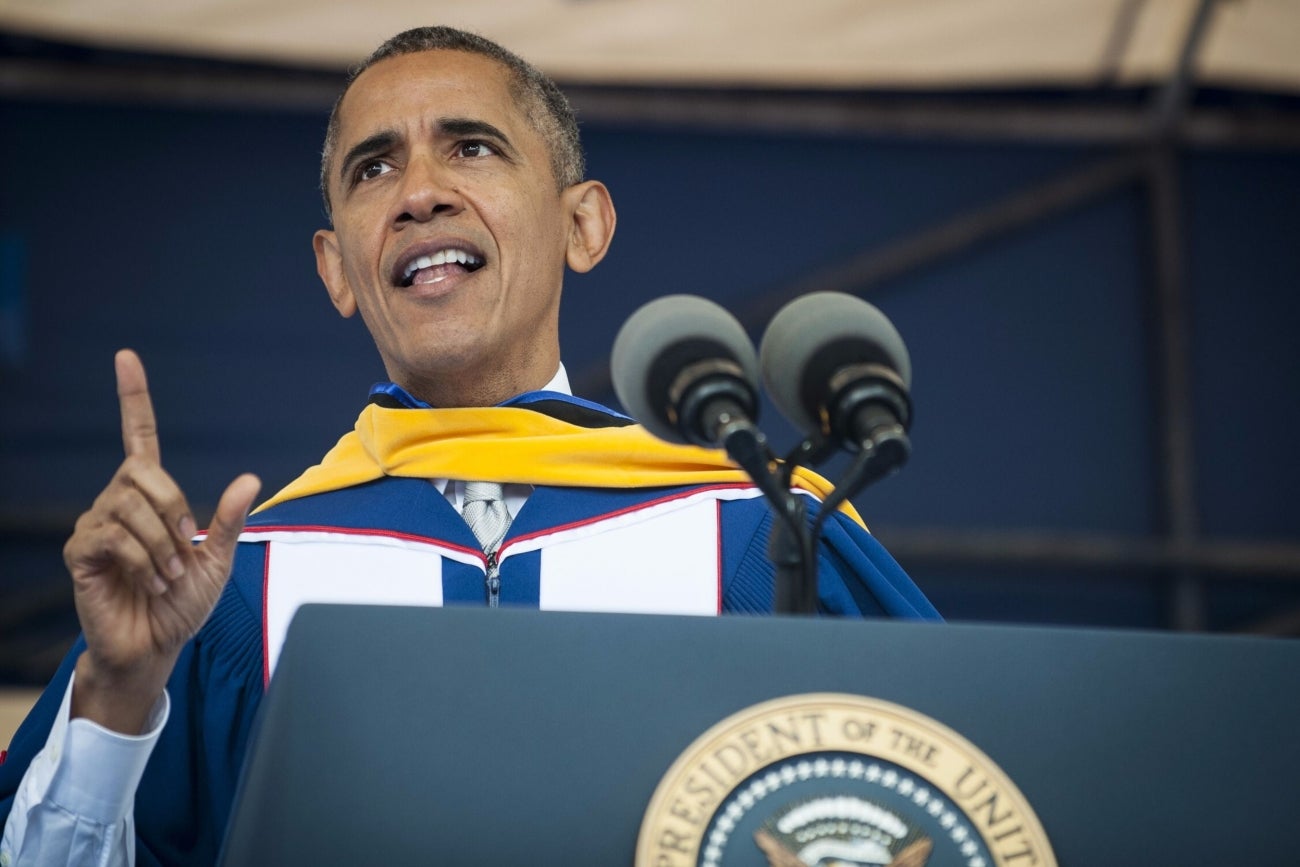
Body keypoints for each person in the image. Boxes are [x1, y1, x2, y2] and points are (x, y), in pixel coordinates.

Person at [0, 26, 939, 866]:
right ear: (336, 269)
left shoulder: (754, 532)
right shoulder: (239, 585)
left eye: (472, 148)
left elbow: (977, 798)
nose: (416, 195)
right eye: (372, 169)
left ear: (583, 224)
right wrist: (116, 697)